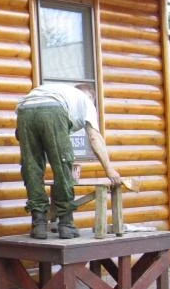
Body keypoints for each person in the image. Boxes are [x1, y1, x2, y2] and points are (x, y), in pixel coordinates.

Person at [16, 83, 122, 239]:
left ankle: (39, 224)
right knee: (62, 165)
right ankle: (66, 225)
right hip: (52, 109)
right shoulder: (86, 101)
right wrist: (109, 169)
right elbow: (94, 138)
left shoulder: (64, 94)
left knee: (31, 167)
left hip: (24, 109)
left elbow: (21, 135)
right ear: (91, 97)